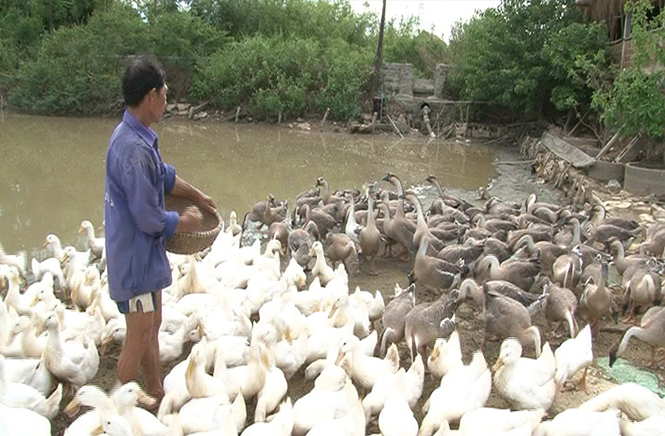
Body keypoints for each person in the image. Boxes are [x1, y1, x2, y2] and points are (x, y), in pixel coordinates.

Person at [104, 56, 216, 402]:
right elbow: (147, 219)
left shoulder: (140, 137)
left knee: (153, 324)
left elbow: (164, 177)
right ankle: (117, 408)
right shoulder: (133, 150)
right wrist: (182, 222)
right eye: (165, 96)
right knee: (138, 336)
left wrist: (198, 195)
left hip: (145, 255)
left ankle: (153, 387)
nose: (166, 103)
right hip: (134, 258)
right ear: (151, 95)